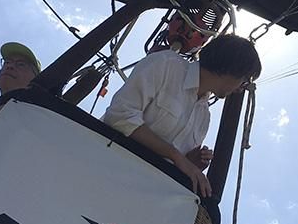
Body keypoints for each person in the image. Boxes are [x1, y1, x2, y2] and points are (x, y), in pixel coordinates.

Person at [102, 34, 261, 198]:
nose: (241, 89)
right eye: (244, 82)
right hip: (103, 168)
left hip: (141, 195)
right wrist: (177, 157)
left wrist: (192, 163)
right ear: (231, 69)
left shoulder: (204, 117)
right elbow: (119, 116)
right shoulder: (165, 64)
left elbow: (178, 165)